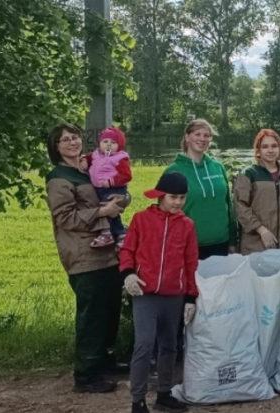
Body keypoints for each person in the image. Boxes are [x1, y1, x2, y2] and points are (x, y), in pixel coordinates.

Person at [45, 123, 129, 393]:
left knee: (108, 309)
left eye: (75, 137)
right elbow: (65, 218)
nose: (72, 142)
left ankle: (103, 360)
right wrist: (102, 212)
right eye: (65, 140)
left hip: (106, 252)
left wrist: (120, 199)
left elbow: (109, 194)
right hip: (83, 254)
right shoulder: (59, 178)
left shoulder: (85, 170)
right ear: (55, 147)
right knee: (92, 315)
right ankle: (86, 375)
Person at [120, 172, 199, 413]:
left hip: (174, 295)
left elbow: (191, 263)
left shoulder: (187, 225)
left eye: (182, 198)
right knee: (144, 345)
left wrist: (190, 297)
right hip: (146, 294)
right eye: (173, 197)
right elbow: (127, 251)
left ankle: (164, 393)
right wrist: (128, 274)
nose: (177, 202)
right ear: (160, 196)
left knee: (170, 346)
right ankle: (138, 400)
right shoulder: (141, 219)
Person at [165, 119, 237, 259]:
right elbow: (165, 212)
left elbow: (229, 206)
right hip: (188, 245)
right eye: (197, 134)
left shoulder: (218, 167)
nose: (202, 139)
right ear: (187, 137)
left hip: (222, 242)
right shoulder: (173, 171)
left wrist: (233, 240)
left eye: (206, 135)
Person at [234, 129, 280, 254]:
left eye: (274, 146)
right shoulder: (249, 174)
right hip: (256, 244)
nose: (270, 150)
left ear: (279, 148)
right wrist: (261, 230)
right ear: (258, 150)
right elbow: (240, 207)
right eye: (265, 147)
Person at [80, 127, 132, 249]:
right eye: (105, 142)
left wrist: (111, 182)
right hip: (99, 188)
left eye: (113, 143)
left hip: (114, 188)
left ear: (119, 145)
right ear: (100, 143)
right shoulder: (96, 154)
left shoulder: (120, 158)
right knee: (105, 210)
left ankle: (111, 234)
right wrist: (84, 161)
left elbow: (126, 175)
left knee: (110, 211)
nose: (109, 144)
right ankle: (118, 235)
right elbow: (88, 158)